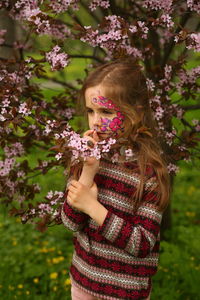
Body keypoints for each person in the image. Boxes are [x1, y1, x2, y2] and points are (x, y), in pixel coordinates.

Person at [61, 59, 170, 300]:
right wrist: (88, 172)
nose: (96, 121)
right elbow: (70, 222)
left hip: (125, 292)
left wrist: (93, 207)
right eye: (91, 111)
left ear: (137, 111)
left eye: (106, 111)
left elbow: (142, 244)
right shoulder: (86, 156)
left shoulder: (148, 173)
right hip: (83, 282)